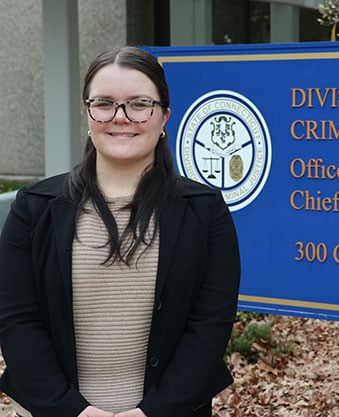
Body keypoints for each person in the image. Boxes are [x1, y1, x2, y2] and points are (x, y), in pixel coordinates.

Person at [0, 47, 241, 417]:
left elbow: (210, 324)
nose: (121, 117)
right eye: (104, 103)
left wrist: (153, 412)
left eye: (139, 104)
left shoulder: (205, 211)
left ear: (164, 118)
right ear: (88, 113)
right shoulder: (34, 208)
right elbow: (16, 320)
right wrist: (72, 411)